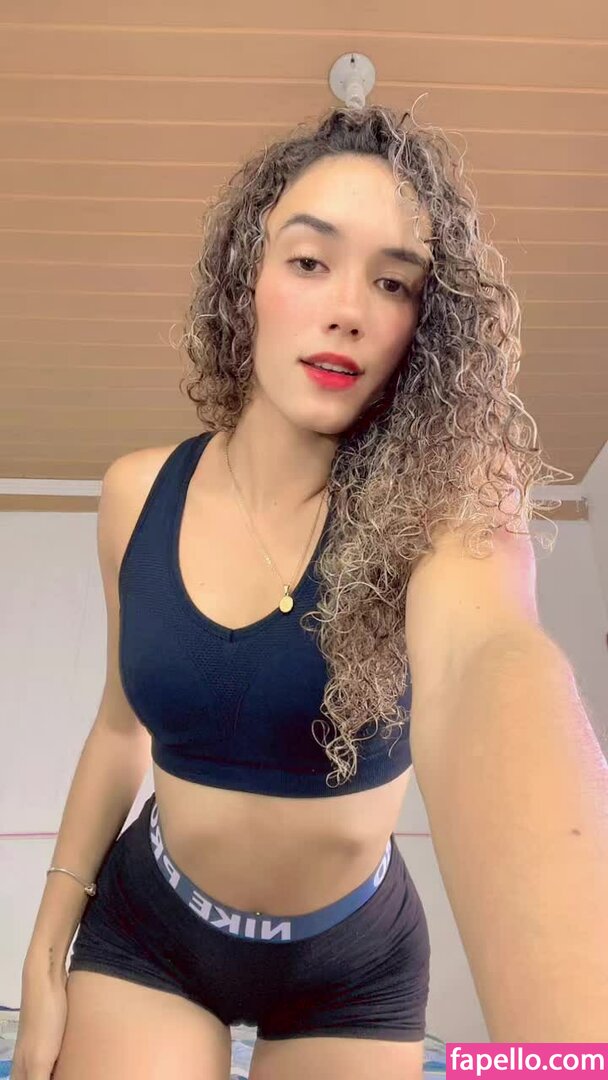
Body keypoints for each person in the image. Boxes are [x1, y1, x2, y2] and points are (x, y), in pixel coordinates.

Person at [14, 104, 559, 1080]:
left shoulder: (448, 509)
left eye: (392, 282)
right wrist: (46, 948)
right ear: (247, 279)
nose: (348, 308)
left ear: (422, 326)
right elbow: (118, 727)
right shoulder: (135, 493)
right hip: (152, 931)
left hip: (350, 966)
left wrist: (573, 1036)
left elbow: (495, 666)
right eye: (310, 261)